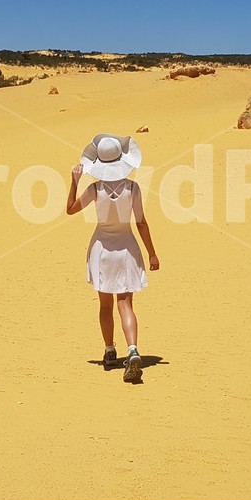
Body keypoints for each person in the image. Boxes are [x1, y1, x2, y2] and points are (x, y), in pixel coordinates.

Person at [66, 134, 159, 382]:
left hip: (102, 250)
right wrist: (151, 253)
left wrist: (74, 181)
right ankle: (133, 349)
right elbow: (141, 223)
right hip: (127, 247)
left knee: (105, 305)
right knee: (125, 304)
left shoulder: (95, 189)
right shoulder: (133, 188)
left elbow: (71, 209)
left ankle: (109, 351)